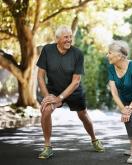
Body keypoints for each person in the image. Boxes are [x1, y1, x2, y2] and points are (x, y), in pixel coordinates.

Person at [36, 25, 105, 159]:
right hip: (54, 90)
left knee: (83, 115)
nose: (69, 40)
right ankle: (47, 146)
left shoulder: (77, 53)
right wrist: (47, 96)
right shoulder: (47, 50)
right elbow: (40, 76)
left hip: (74, 91)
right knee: (45, 109)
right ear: (57, 39)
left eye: (70, 37)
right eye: (66, 37)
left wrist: (60, 98)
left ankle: (94, 139)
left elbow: (76, 81)